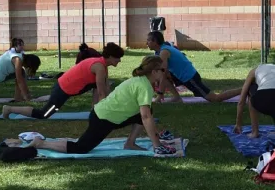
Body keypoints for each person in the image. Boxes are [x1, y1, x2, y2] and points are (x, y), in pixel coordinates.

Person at [28, 56, 176, 155]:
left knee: (146, 110)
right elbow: (145, 117)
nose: (166, 72)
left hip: (110, 116)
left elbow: (144, 114)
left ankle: (130, 143)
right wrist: (157, 145)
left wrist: (156, 136)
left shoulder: (142, 81)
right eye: (163, 70)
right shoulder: (144, 86)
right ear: (155, 71)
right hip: (102, 119)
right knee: (81, 148)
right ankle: (41, 143)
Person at [2, 43, 124, 119]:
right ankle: (10, 109)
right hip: (62, 89)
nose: (119, 61)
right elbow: (102, 94)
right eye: (118, 58)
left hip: (67, 87)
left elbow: (103, 90)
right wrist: (104, 114)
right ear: (111, 57)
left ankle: (95, 115)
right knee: (44, 114)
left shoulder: (102, 65)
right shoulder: (99, 67)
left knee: (97, 88)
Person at [146, 31, 240, 103]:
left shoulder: (164, 52)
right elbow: (163, 73)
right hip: (182, 76)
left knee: (215, 98)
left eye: (148, 40)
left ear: (155, 42)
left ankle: (243, 90)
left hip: (190, 78)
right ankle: (177, 97)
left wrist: (160, 94)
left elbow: (162, 74)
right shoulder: (161, 50)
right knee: (161, 75)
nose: (147, 43)